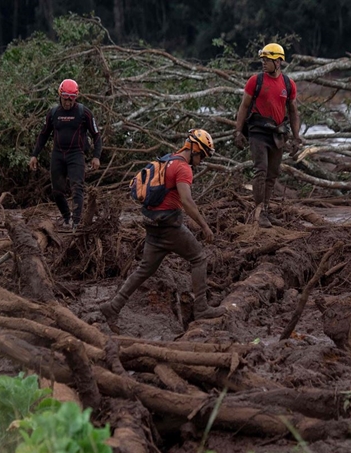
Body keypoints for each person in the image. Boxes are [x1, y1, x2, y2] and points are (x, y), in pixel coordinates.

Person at [99, 129, 226, 334]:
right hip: (170, 226)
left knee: (144, 269)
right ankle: (201, 308)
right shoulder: (184, 168)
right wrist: (204, 225)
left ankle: (113, 306)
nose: (201, 160)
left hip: (153, 224)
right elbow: (186, 201)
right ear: (193, 148)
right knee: (199, 258)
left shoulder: (168, 160)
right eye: (201, 154)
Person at [234, 43, 302, 228]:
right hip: (257, 132)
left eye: (267, 60)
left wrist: (297, 137)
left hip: (277, 134)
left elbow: (294, 111)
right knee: (261, 170)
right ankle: (259, 212)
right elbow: (244, 107)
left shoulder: (288, 84)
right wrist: (238, 131)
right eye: (262, 60)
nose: (263, 63)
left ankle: (265, 210)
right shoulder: (255, 81)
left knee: (272, 175)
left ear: (278, 62)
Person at [29, 79, 102, 230]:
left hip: (76, 154)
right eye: (65, 98)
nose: (68, 102)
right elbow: (43, 134)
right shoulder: (53, 113)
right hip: (58, 154)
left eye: (71, 99)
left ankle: (76, 223)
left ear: (76, 98)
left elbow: (96, 135)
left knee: (77, 188)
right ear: (60, 96)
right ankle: (67, 218)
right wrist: (34, 154)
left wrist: (96, 156)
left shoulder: (84, 112)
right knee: (57, 192)